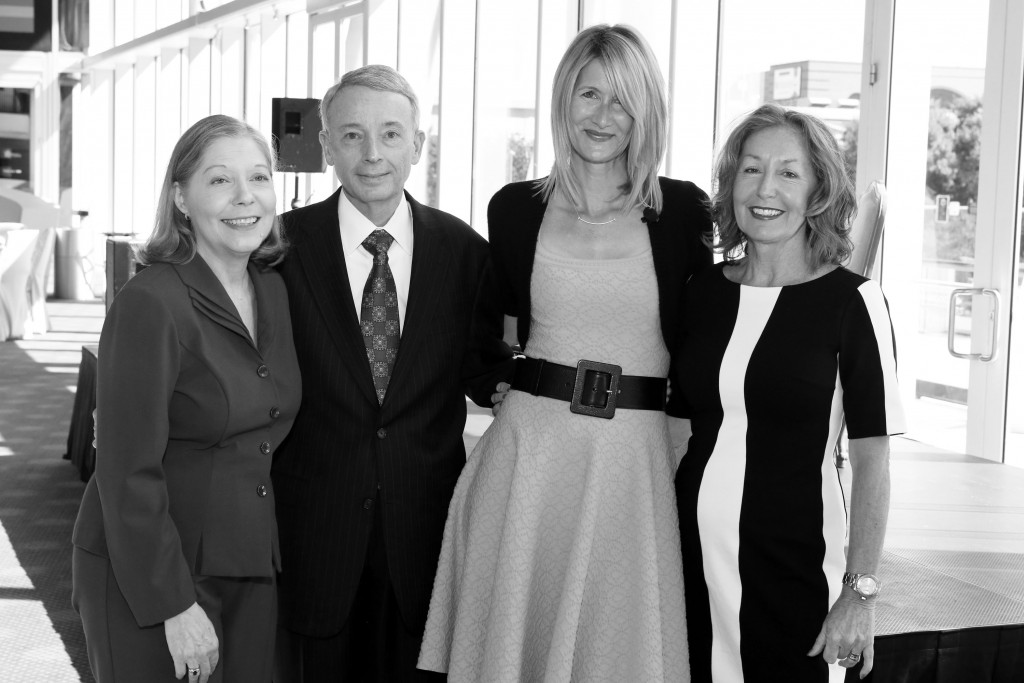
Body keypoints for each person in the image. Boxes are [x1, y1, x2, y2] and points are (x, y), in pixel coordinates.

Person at [418, 24, 712, 681]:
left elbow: (706, 333)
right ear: (562, 99)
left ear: (646, 112)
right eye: (589, 94)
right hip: (532, 457)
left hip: (634, 459)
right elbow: (480, 327)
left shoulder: (684, 211)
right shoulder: (515, 209)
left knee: (618, 647)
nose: (604, 116)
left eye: (623, 100)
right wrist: (494, 379)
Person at [271, 65, 512, 682]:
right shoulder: (279, 249)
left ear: (418, 144)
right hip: (313, 533)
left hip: (424, 535)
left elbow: (484, 367)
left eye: (390, 134)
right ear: (326, 145)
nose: (372, 154)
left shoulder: (466, 252)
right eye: (352, 135)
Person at [673, 103, 905, 682]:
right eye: (751, 169)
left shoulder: (854, 303)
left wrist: (860, 594)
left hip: (796, 573)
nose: (765, 189)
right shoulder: (701, 291)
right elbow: (677, 427)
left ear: (818, 193)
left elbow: (873, 461)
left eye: (788, 172)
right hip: (688, 563)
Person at [71, 114, 301, 683]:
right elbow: (126, 470)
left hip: (250, 565)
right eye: (220, 180)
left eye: (259, 177)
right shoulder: (151, 301)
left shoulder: (273, 289)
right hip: (153, 573)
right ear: (180, 198)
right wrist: (172, 603)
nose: (245, 196)